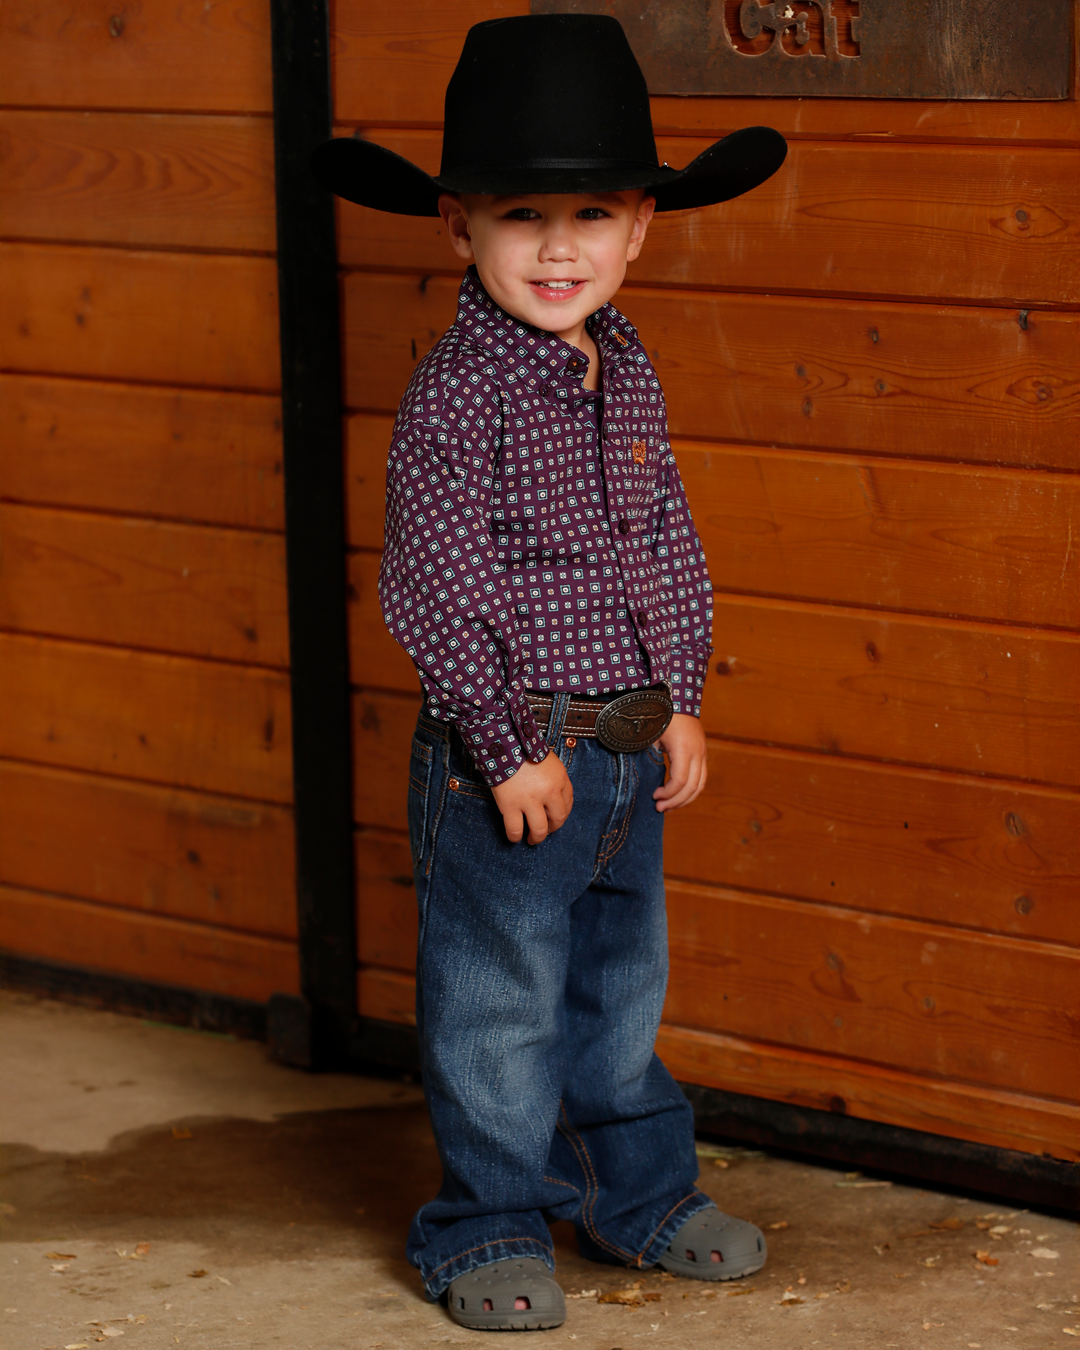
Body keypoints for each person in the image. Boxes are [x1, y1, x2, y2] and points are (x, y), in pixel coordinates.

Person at [313, 13, 786, 1333]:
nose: (562, 246)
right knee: (499, 996)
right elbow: (436, 583)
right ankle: (489, 1218)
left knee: (619, 982)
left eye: (593, 212)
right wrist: (503, 738)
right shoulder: (460, 395)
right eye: (525, 214)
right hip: (510, 760)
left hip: (629, 747)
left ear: (642, 225)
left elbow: (667, 541)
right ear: (458, 225)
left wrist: (682, 693)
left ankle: (635, 1193)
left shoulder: (624, 367)